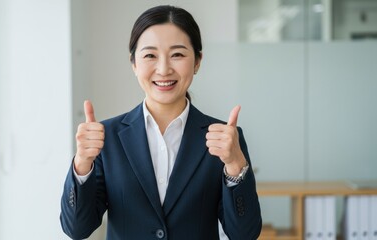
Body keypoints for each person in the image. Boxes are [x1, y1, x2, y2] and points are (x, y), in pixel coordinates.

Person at [60, 5, 262, 240]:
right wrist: (82, 164)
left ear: (197, 61)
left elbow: (245, 235)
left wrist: (236, 166)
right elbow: (76, 229)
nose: (164, 69)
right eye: (150, 55)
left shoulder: (226, 140)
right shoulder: (107, 137)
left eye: (177, 54)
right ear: (134, 63)